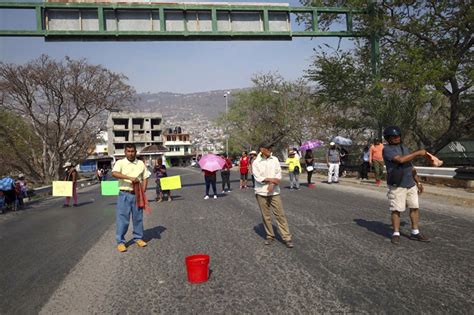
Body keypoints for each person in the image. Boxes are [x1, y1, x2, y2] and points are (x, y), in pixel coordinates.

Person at [382, 126, 430, 245]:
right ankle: (396, 233)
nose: (397, 138)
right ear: (388, 138)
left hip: (410, 184)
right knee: (396, 209)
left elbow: (411, 166)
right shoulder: (387, 149)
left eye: (398, 135)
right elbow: (401, 160)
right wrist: (419, 152)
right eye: (394, 136)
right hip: (397, 185)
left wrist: (418, 182)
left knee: (414, 207)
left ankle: (415, 232)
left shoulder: (405, 148)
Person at [252, 142, 293, 248]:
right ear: (262, 149)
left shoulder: (274, 159)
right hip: (261, 192)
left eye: (271, 148)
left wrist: (272, 183)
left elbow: (278, 173)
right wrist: (271, 180)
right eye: (268, 148)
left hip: (274, 191)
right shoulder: (256, 162)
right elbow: (258, 177)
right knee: (266, 216)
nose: (270, 149)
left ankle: (287, 237)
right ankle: (270, 235)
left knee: (280, 214)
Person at [111, 143, 151, 253]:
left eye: (132, 151)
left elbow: (146, 176)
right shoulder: (120, 162)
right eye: (128, 151)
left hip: (137, 194)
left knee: (138, 218)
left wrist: (144, 189)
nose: (130, 153)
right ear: (125, 152)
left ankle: (138, 238)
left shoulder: (141, 163)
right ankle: (121, 242)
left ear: (135, 152)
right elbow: (114, 173)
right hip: (124, 194)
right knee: (123, 219)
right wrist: (129, 178)